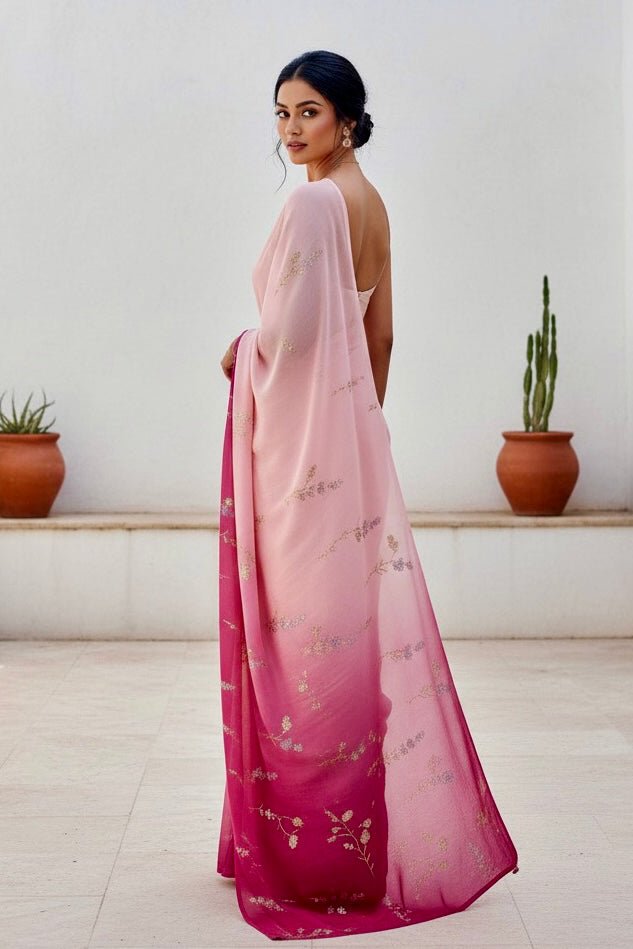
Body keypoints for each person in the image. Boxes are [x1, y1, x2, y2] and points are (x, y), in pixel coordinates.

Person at [217, 49, 519, 942]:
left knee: (301, 644)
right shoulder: (371, 204)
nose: (290, 130)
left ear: (347, 119)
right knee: (340, 641)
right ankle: (350, 844)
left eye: (308, 113)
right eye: (280, 114)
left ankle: (312, 860)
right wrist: (356, 432)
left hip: (298, 458)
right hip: (347, 450)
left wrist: (239, 351)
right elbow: (378, 337)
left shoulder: (313, 201)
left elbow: (291, 335)